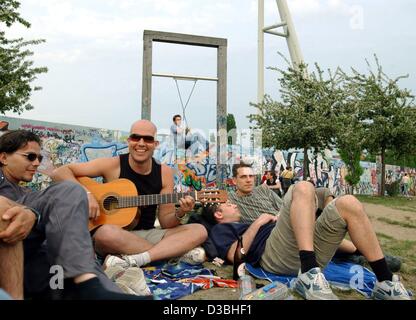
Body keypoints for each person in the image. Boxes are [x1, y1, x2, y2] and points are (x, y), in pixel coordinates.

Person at [221, 163, 411, 300]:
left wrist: (287, 215)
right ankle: (309, 273)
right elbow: (222, 229)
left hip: (294, 232)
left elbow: (285, 208)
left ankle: (385, 281)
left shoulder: (264, 191)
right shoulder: (228, 200)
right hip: (274, 248)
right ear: (233, 180)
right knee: (303, 186)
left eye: (251, 176)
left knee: (349, 202)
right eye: (243, 176)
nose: (248, 180)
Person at [0, 129, 149, 300]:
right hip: (17, 250)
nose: (36, 163)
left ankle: (97, 289)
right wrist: (32, 213)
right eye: (30, 157)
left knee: (71, 194)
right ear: (3, 158)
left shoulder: (24, 191)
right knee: (68, 193)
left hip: (37, 260)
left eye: (39, 158)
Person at [51, 119, 208, 269]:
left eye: (147, 139)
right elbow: (60, 172)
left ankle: (137, 258)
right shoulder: (113, 165)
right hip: (115, 236)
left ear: (155, 144)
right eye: (135, 137)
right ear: (128, 141)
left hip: (146, 234)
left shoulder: (164, 173)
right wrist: (86, 194)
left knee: (199, 230)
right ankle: (171, 253)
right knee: (105, 233)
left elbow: (166, 222)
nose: (141, 143)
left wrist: (181, 212)